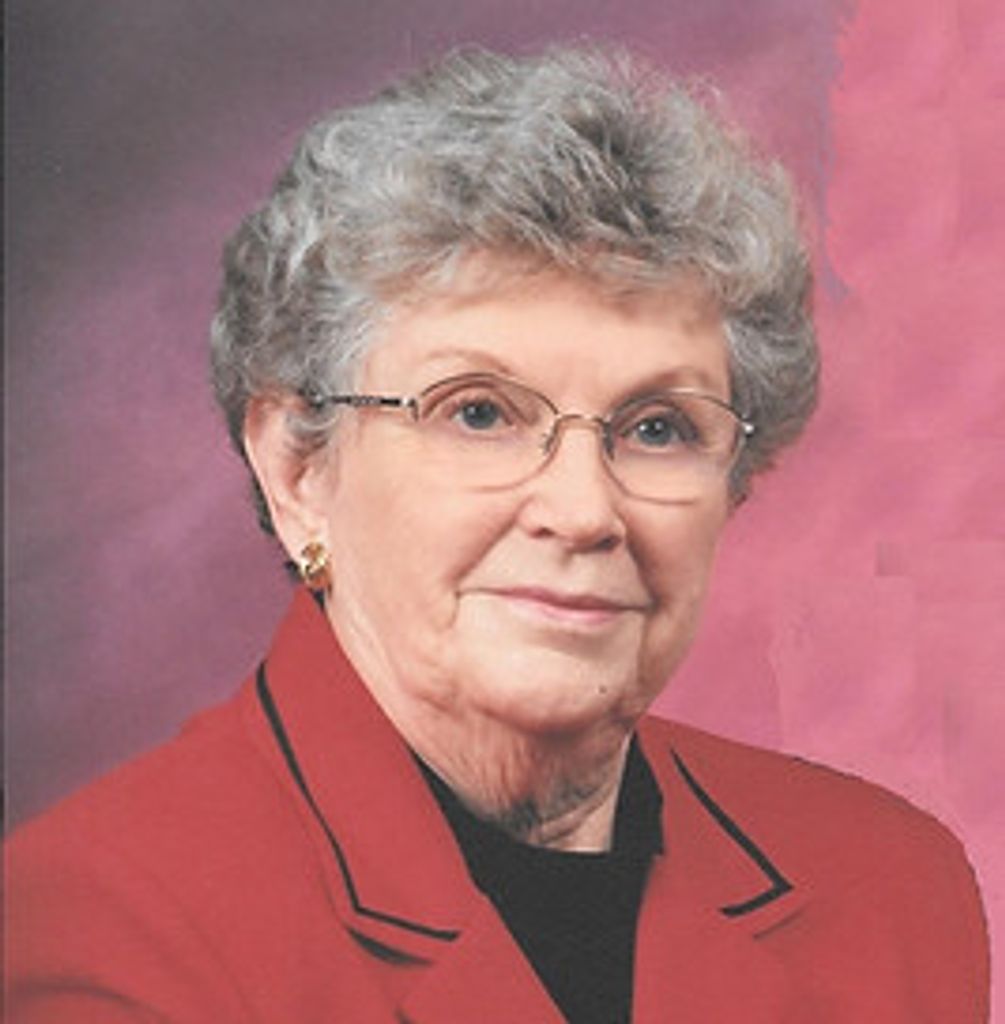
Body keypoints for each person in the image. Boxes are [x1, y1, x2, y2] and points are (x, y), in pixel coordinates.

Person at [6, 46, 989, 1023]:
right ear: (299, 470)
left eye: (658, 428)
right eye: (478, 412)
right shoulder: (102, 929)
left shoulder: (887, 894)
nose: (584, 510)